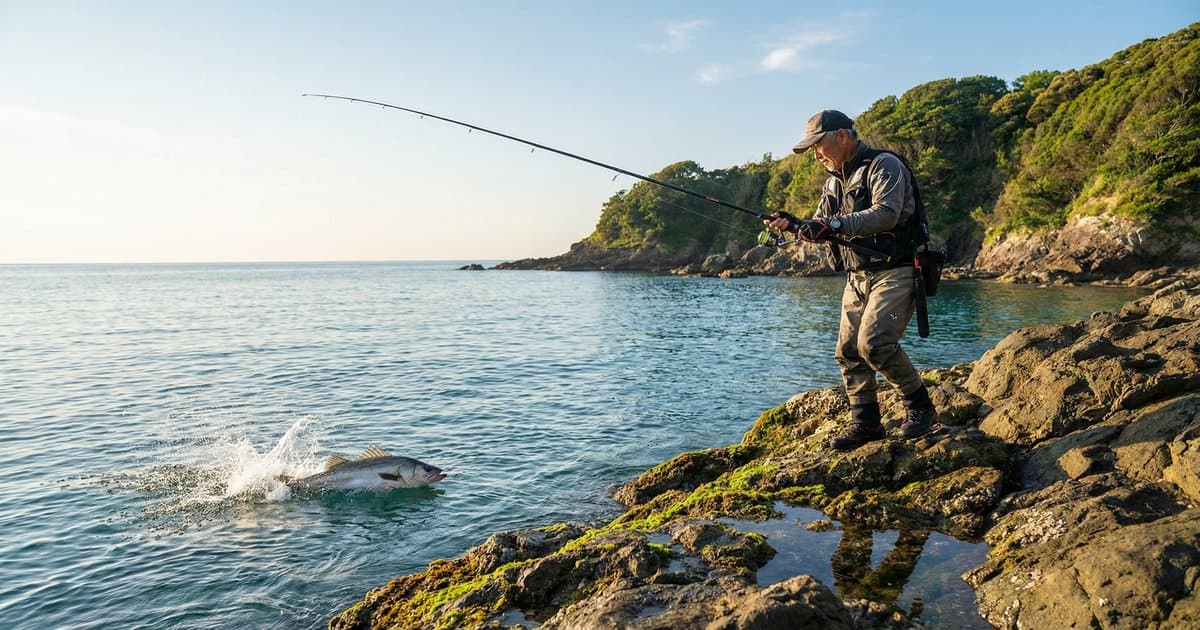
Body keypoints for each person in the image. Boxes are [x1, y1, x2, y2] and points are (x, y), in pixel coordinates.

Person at [766, 109, 936, 451]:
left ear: (842, 135)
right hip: (857, 276)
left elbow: (886, 213)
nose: (815, 154)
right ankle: (867, 425)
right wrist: (795, 225)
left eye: (818, 145)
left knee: (874, 344)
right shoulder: (832, 182)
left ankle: (921, 408)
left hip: (896, 268)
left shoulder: (884, 165)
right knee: (847, 352)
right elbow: (818, 225)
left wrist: (835, 226)